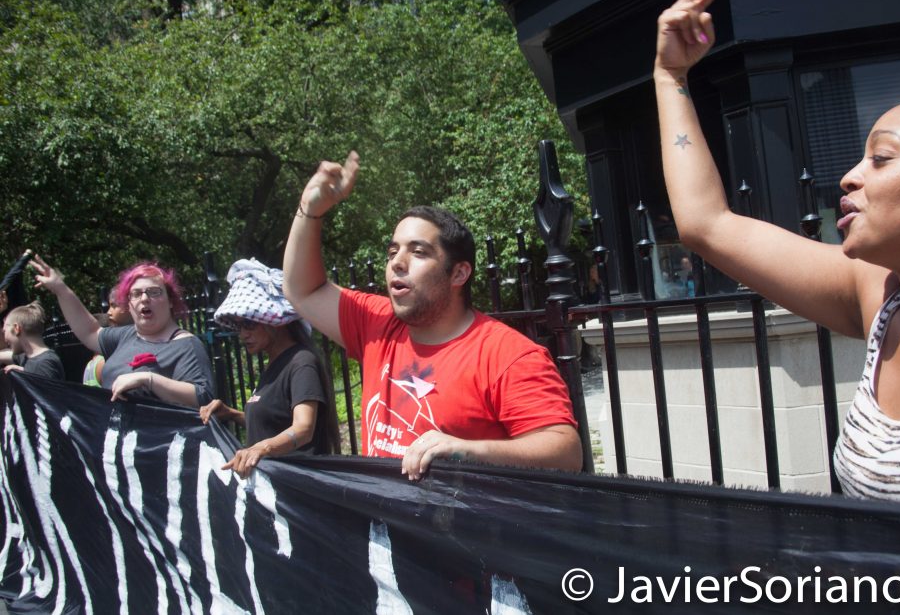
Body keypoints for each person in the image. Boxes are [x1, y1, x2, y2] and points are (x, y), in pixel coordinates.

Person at [655, 0, 900, 510]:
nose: (850, 176)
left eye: (882, 157)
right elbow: (706, 224)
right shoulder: (885, 300)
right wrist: (670, 77)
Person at [282, 152, 583, 481]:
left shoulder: (508, 355)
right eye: (393, 251)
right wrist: (309, 210)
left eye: (418, 252)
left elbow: (566, 454)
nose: (397, 262)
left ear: (459, 273)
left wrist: (467, 451)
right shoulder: (376, 324)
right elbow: (302, 291)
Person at [200, 258, 341, 478]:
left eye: (249, 323)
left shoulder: (301, 362)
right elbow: (273, 422)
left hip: (298, 486)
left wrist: (262, 449)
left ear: (276, 321)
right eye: (238, 326)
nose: (242, 334)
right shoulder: (274, 364)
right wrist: (231, 414)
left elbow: (303, 428)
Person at [30, 255, 214, 406]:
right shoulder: (126, 335)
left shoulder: (186, 345)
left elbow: (203, 397)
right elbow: (89, 331)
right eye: (136, 294)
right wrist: (60, 289)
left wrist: (149, 380)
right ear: (129, 304)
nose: (144, 299)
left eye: (154, 292)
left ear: (171, 301)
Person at [0, 297, 65, 380]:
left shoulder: (43, 365)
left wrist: (24, 376)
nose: (5, 338)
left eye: (4, 331)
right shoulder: (28, 357)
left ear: (16, 329)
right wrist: (24, 372)